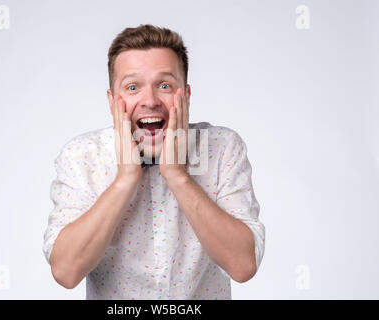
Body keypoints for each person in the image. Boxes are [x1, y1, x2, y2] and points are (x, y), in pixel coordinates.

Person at [42, 24, 265, 300]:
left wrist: (177, 175)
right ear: (112, 102)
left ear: (186, 95)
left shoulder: (222, 148)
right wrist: (125, 179)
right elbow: (65, 271)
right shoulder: (83, 155)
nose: (149, 100)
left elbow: (242, 265)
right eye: (133, 87)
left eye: (164, 85)